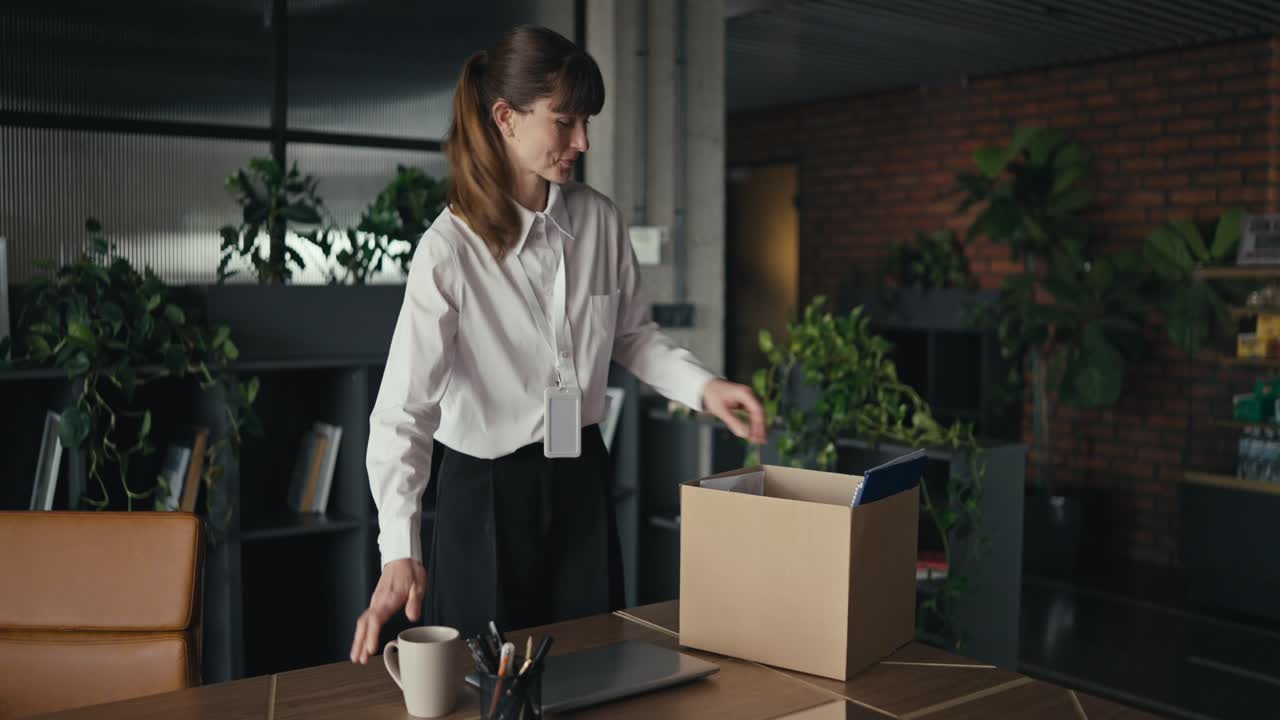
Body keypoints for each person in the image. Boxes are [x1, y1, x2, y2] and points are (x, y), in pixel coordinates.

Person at [350, 24, 765, 665]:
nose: (583, 142)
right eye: (565, 121)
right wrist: (399, 548)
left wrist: (705, 387)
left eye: (586, 122)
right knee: (489, 685)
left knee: (596, 663)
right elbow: (404, 411)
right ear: (505, 118)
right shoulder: (448, 249)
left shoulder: (599, 221)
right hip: (484, 493)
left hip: (580, 479)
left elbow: (631, 334)